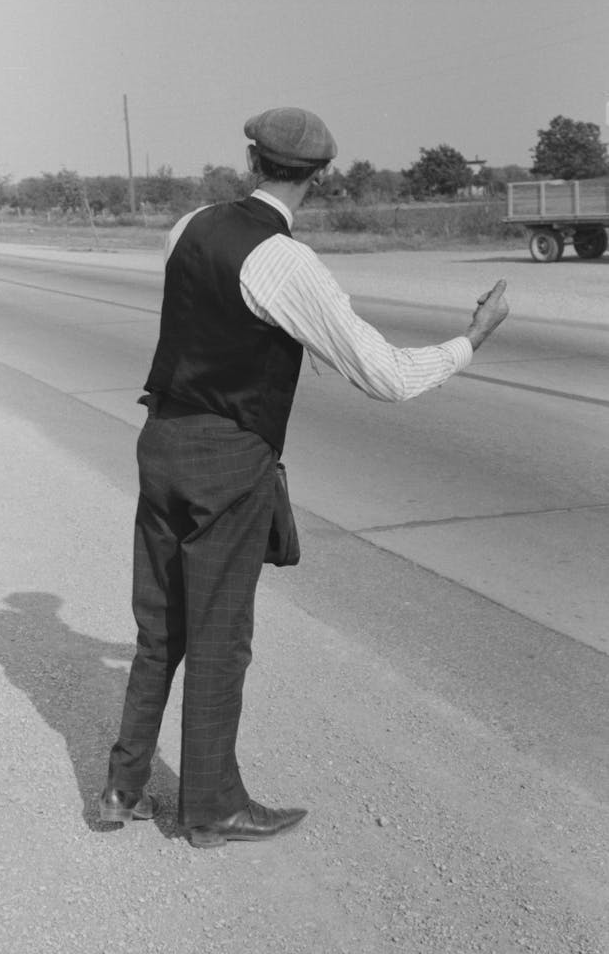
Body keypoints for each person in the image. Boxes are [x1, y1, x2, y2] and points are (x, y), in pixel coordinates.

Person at [99, 107, 509, 848]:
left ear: (249, 158)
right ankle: (211, 808)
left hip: (160, 439)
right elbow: (385, 374)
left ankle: (122, 788)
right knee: (221, 637)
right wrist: (470, 340)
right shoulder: (287, 263)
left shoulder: (188, 225)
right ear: (318, 176)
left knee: (160, 629)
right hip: (228, 458)